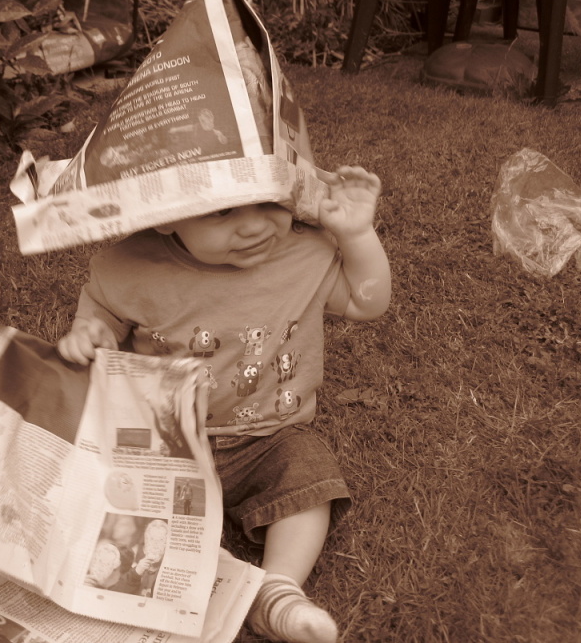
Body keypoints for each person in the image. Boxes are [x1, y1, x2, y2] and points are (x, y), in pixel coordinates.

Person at [56, 166, 391, 643]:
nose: (254, 225)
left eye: (269, 201)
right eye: (223, 211)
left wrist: (356, 234)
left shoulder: (304, 253)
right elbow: (102, 320)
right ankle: (206, 575)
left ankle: (279, 589)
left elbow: (366, 302)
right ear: (165, 216)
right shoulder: (128, 267)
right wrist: (90, 336)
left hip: (268, 437)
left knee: (309, 474)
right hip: (167, 442)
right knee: (119, 508)